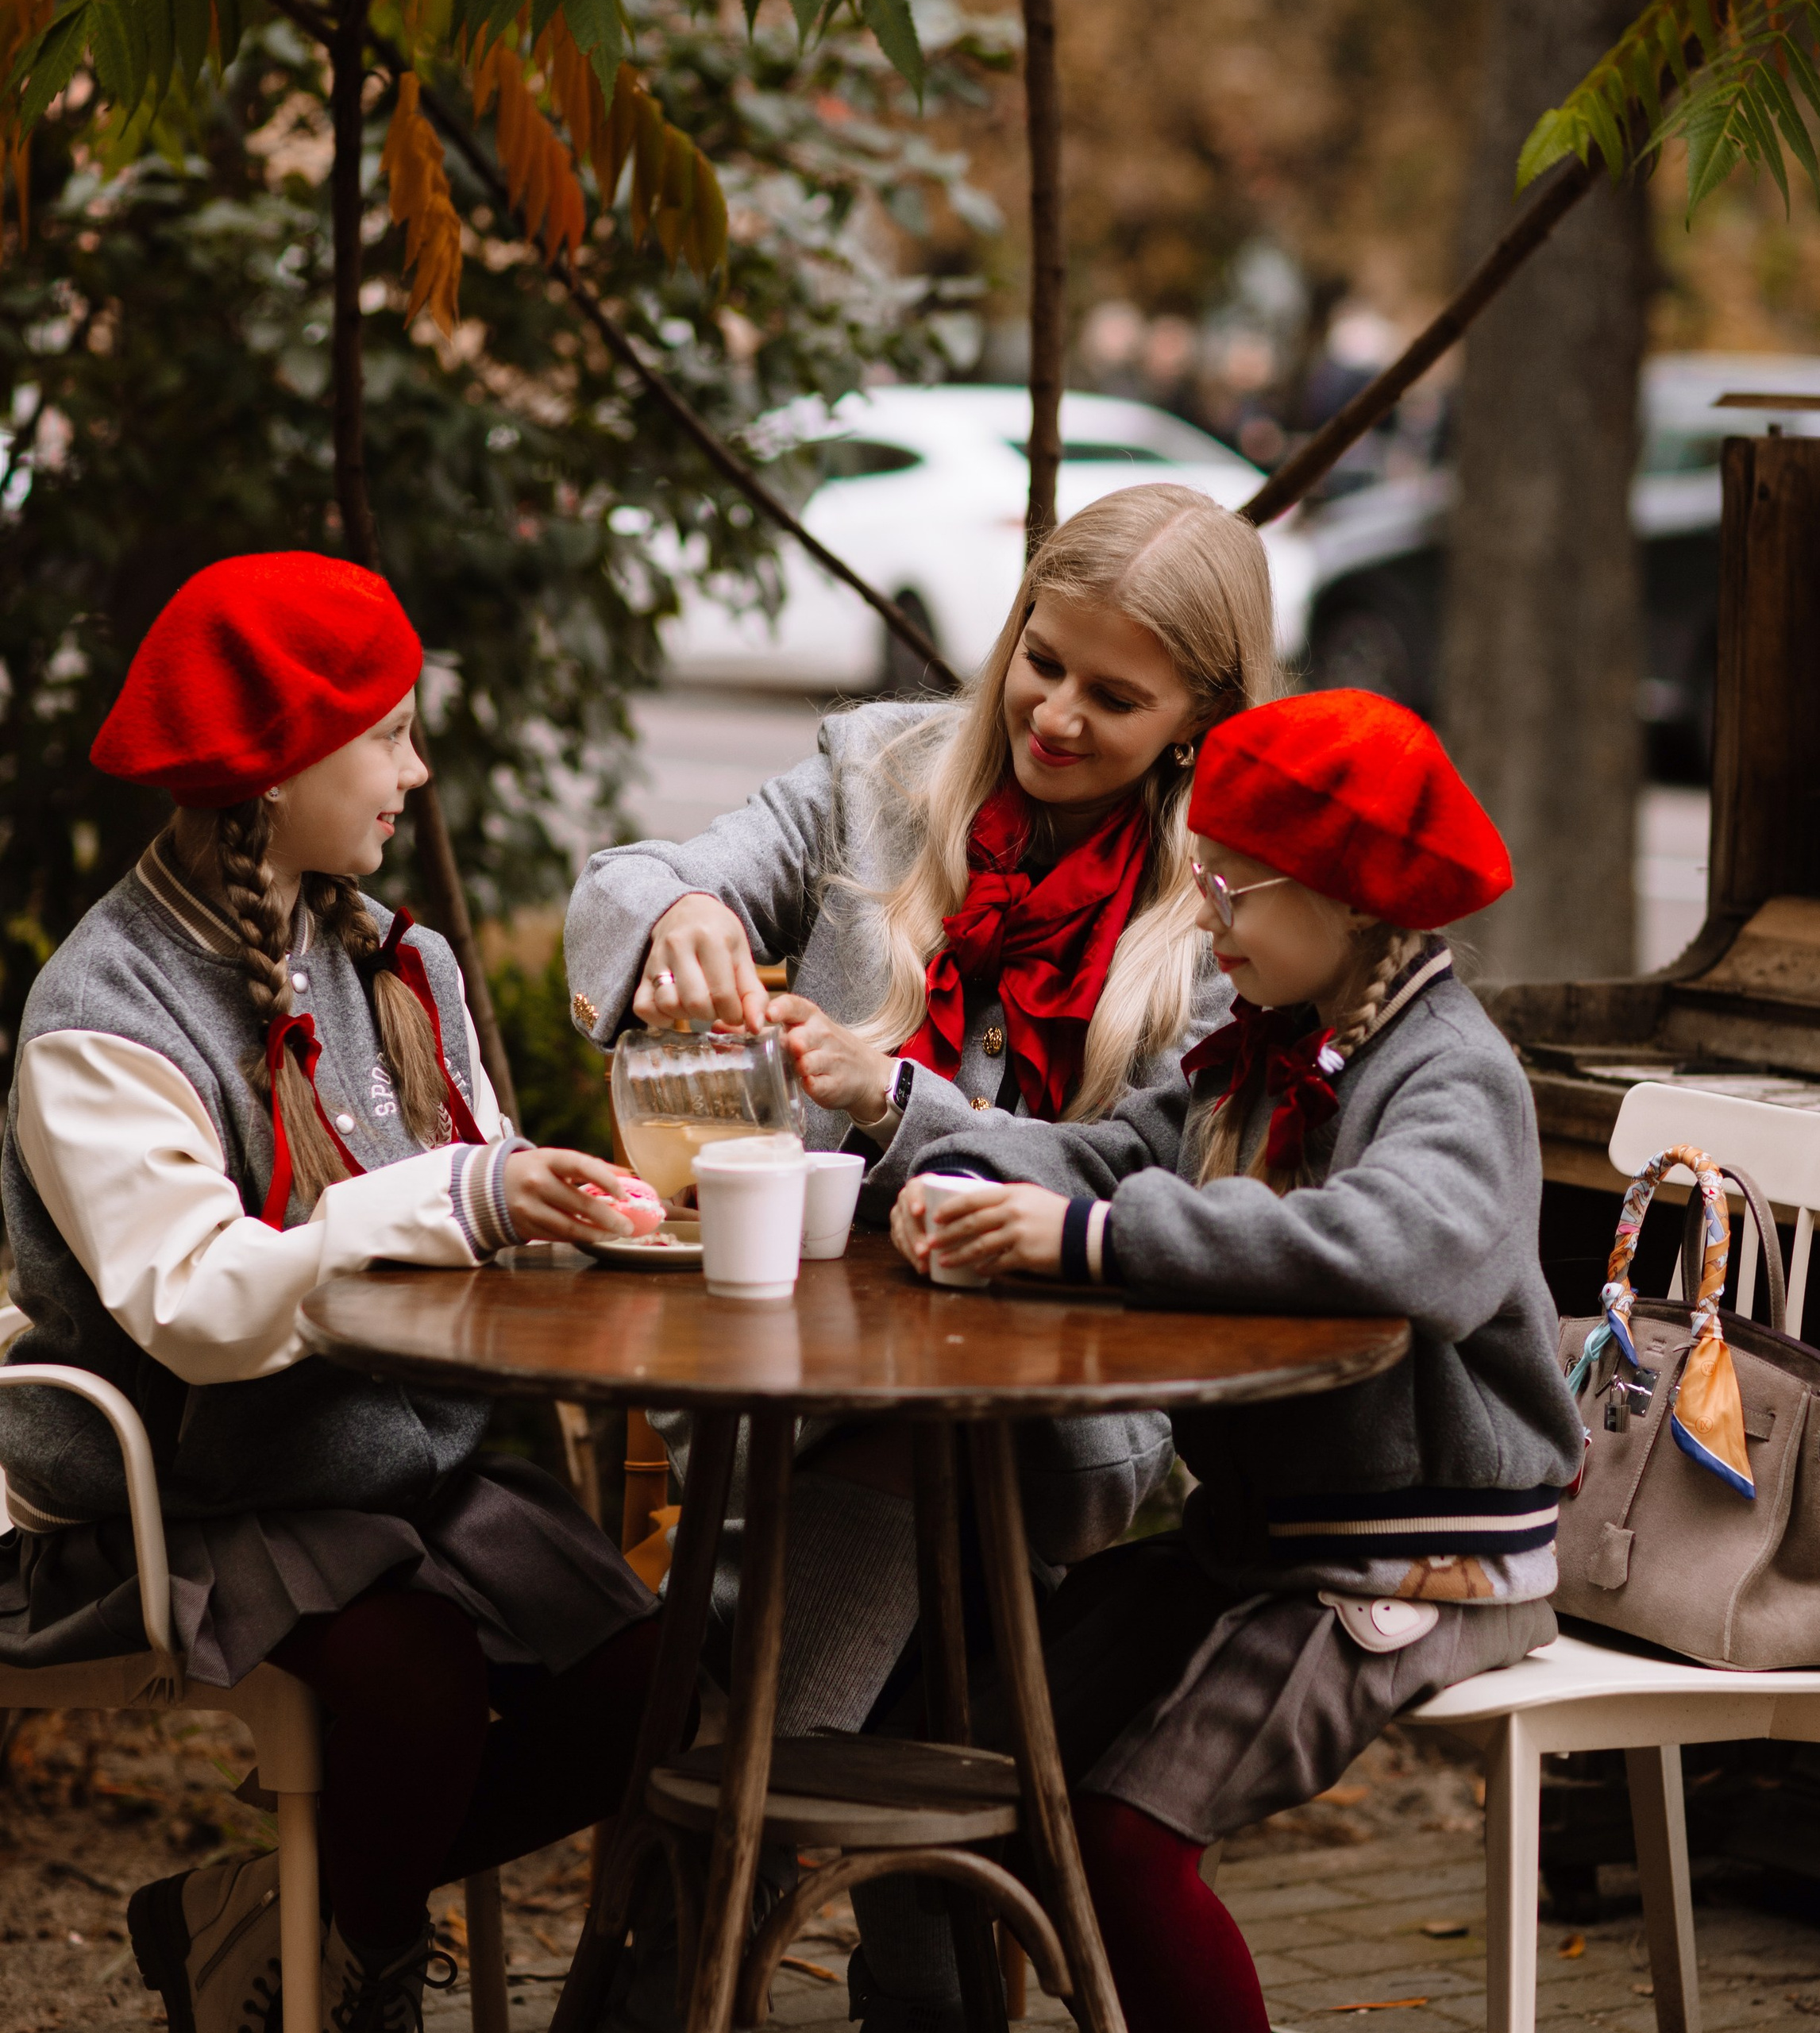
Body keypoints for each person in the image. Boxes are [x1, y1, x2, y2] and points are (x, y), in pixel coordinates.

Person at [565, 483, 1280, 2027]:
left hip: (1057, 1408)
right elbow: (620, 880)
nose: (1055, 716)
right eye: (1041, 660)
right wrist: (678, 909)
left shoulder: (1230, 896)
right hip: (808, 1375)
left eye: (1114, 697)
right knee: (927, 1667)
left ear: (1200, 719)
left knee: (868, 1549)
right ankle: (909, 1988)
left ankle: (678, 1944)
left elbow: (1153, 1169)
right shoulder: (877, 771)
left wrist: (901, 1103)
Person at [0, 554, 661, 2033]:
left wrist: (571, 1215)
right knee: (415, 1687)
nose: (415, 775)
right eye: (391, 736)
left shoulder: (395, 959)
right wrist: (461, 1199)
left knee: (647, 1683)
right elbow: (195, 1303)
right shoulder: (103, 1017)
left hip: (397, 1458)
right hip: (195, 1486)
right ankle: (361, 1973)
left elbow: (476, 1181)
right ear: (277, 768)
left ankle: (263, 1915)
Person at [892, 689, 1587, 2033]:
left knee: (1126, 1838)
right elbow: (1119, 1152)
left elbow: (1402, 1249)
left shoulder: (1452, 1074)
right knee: (969, 1742)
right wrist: (972, 1172)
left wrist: (1091, 1241)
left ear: (1348, 898)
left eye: (1230, 888)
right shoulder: (1270, 1042)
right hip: (1266, 1538)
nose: (1205, 917)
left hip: (1414, 1562)